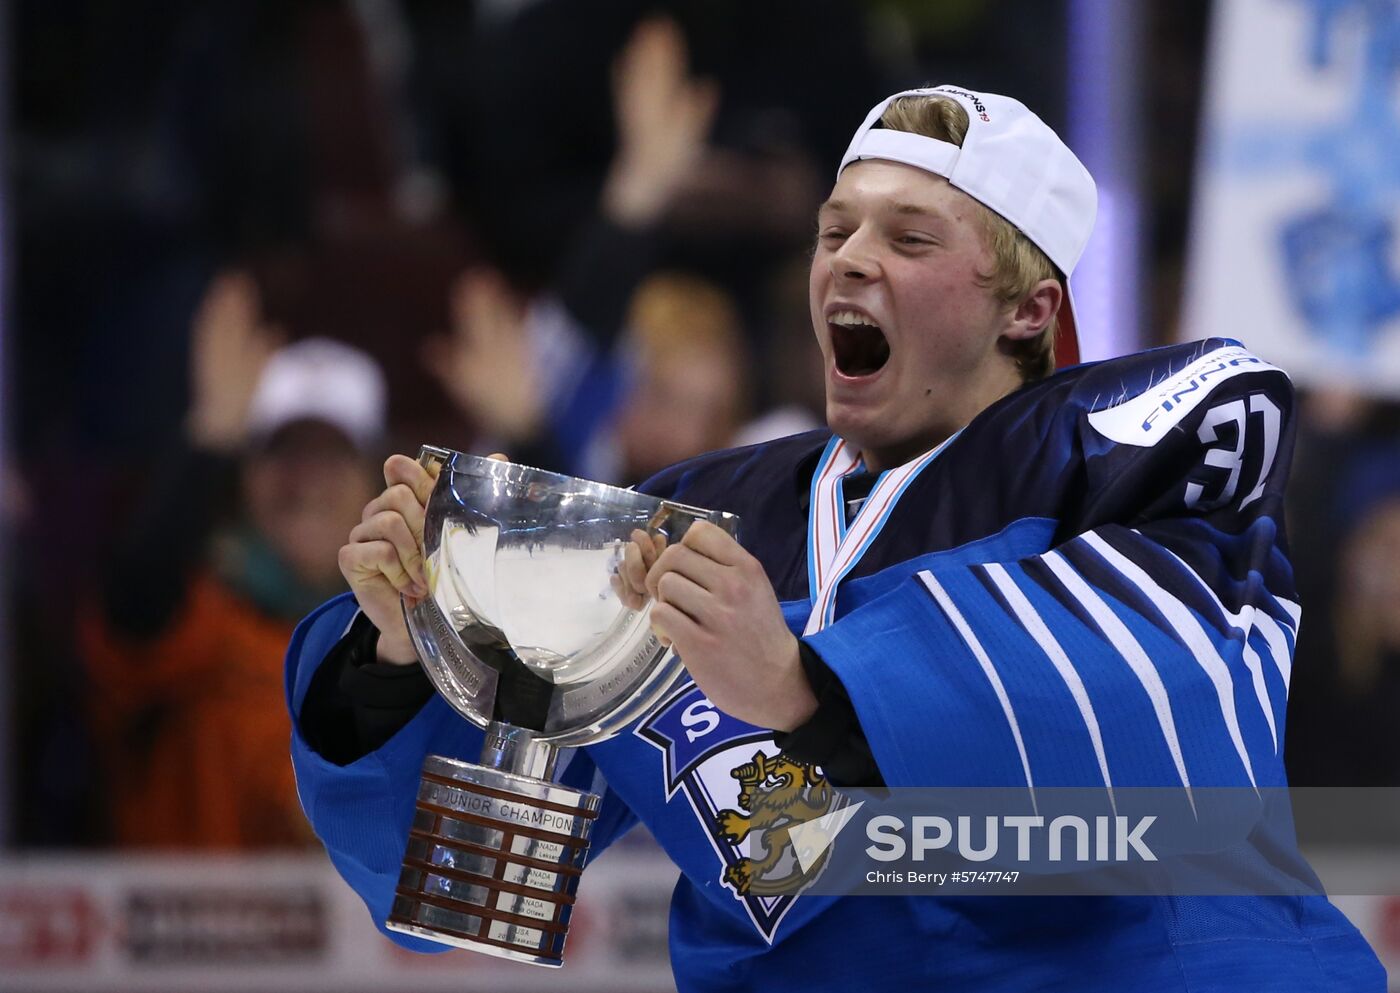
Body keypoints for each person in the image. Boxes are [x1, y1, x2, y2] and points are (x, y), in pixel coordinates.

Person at [286, 86, 1385, 990]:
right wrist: (397, 656)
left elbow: (1152, 753)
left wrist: (806, 688)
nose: (848, 260)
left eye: (908, 237)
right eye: (833, 229)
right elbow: (470, 892)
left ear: (1027, 311)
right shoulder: (696, 521)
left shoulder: (1152, 433)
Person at [84, 273, 385, 847]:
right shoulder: (200, 616)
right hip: (184, 933)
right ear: (246, 477)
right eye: (284, 454)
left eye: (331, 457)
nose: (306, 482)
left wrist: (531, 438)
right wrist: (209, 437)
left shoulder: (411, 641)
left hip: (367, 932)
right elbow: (132, 609)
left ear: (373, 479)